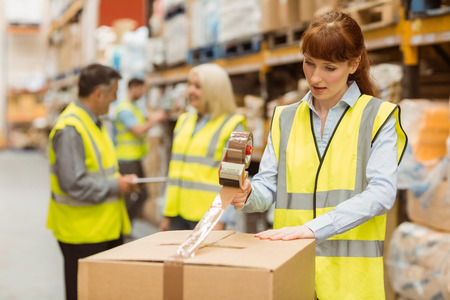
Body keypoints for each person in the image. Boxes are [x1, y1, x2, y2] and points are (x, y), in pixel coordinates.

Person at [230, 12, 407, 300]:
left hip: (350, 285)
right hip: (293, 275)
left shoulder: (378, 117)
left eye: (329, 67)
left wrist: (311, 229)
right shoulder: (284, 118)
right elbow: (269, 185)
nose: (315, 77)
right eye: (308, 63)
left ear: (354, 64)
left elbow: (382, 194)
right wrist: (248, 194)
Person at [46, 64, 138, 300]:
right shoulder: (71, 128)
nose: (116, 99)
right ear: (99, 94)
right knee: (83, 294)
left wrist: (120, 181)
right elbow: (73, 184)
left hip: (102, 228)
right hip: (82, 234)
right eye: (114, 92)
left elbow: (101, 171)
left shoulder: (95, 122)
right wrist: (116, 186)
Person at [160, 63, 246, 231]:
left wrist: (220, 219)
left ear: (214, 91)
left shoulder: (235, 126)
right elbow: (174, 172)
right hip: (176, 215)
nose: (190, 91)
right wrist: (166, 215)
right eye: (190, 85)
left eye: (198, 86)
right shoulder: (183, 120)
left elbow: (234, 181)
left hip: (208, 218)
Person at [114, 77, 166, 223]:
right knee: (134, 194)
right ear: (133, 88)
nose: (143, 93)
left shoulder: (133, 106)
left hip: (135, 158)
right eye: (142, 89)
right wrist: (155, 120)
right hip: (126, 159)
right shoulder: (124, 108)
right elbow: (138, 130)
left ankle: (125, 225)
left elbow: (145, 116)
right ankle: (123, 225)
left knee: (142, 194)